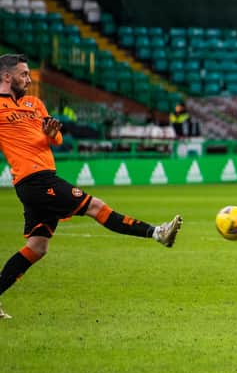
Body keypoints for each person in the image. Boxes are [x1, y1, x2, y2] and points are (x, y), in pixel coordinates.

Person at [0, 54, 183, 320]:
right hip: (35, 180)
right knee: (95, 207)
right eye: (23, 74)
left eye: (29, 74)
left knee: (38, 246)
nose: (28, 79)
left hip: (42, 177)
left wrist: (52, 134)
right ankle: (156, 232)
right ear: (6, 77)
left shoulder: (34, 103)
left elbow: (57, 138)